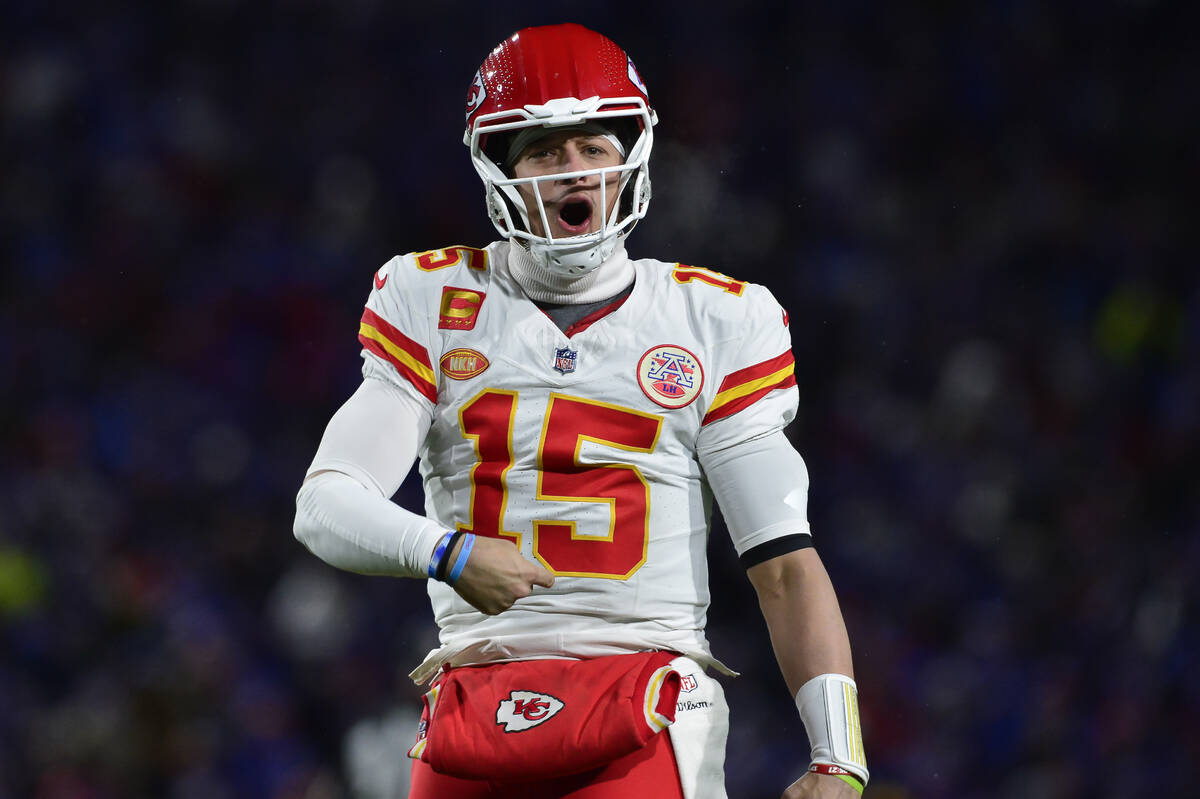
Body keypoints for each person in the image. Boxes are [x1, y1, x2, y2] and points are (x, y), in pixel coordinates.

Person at [294, 23, 868, 799]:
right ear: (500, 168)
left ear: (628, 155)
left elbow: (786, 564)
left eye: (594, 147)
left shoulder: (716, 318)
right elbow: (326, 503)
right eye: (546, 150)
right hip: (475, 704)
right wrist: (448, 552)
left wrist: (838, 754)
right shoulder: (429, 298)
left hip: (645, 701)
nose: (576, 172)